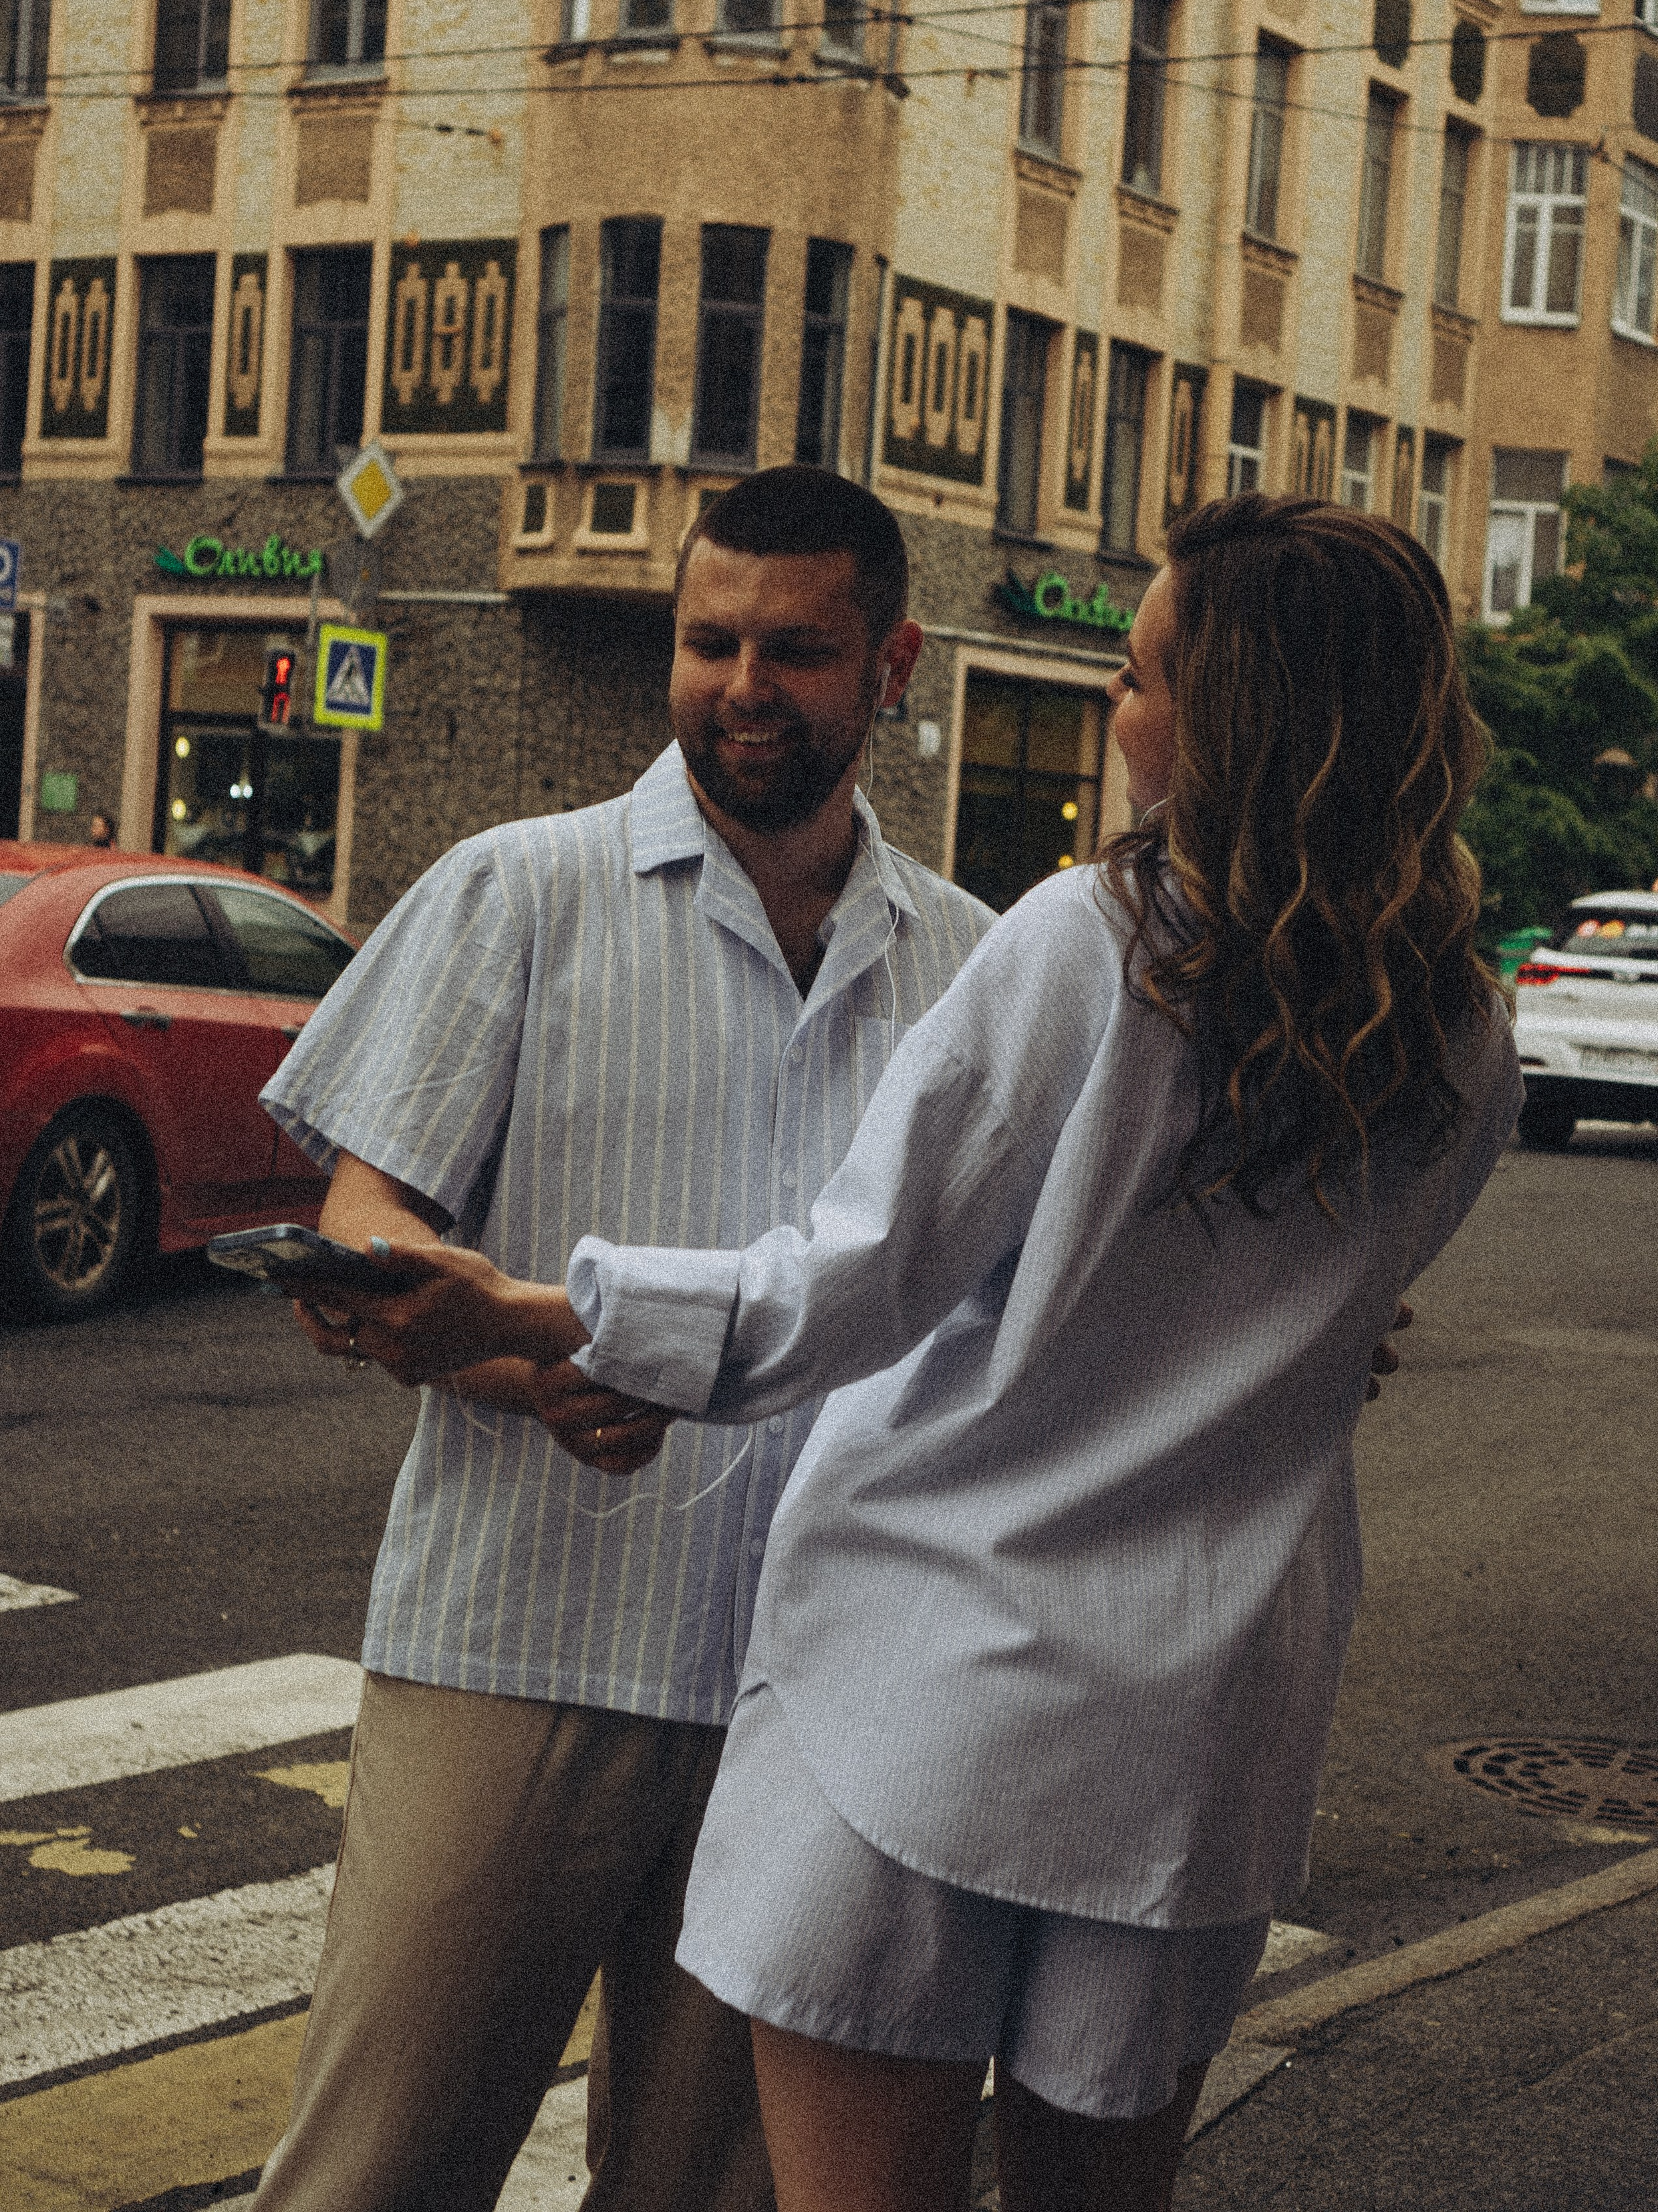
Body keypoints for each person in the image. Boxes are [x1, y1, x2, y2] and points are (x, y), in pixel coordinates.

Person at [333, 497, 1522, 2212]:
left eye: (1134, 678)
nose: (1116, 714)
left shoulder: (1082, 942)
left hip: (925, 1708)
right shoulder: (1465, 1038)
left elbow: (852, 1284)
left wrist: (538, 1321)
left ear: (1231, 714)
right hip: (1195, 1730)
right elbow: (1318, 1329)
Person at [250, 468, 995, 2212]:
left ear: (889, 665)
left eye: (795, 651)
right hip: (518, 1654)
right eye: (709, 640)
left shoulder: (969, 966)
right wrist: (518, 1364)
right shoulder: (523, 893)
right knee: (375, 2174)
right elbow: (365, 1227)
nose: (743, 684)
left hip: (814, 1710)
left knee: (708, 2197)